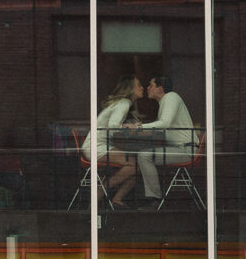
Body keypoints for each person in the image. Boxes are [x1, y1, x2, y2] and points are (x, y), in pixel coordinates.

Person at [81, 76, 143, 208]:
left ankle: (117, 199)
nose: (142, 87)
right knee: (134, 166)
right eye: (138, 85)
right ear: (130, 89)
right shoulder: (124, 103)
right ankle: (101, 190)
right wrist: (130, 127)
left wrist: (128, 126)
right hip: (95, 147)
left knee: (137, 166)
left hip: (99, 145)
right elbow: (113, 126)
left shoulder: (124, 103)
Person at [134, 75, 196, 206]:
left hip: (186, 149)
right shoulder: (166, 101)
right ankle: (153, 197)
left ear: (160, 89)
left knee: (144, 156)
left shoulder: (171, 97)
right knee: (144, 155)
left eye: (151, 85)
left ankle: (154, 199)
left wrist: (139, 127)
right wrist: (138, 128)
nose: (147, 88)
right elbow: (162, 127)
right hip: (180, 149)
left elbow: (164, 123)